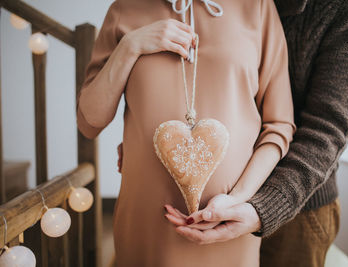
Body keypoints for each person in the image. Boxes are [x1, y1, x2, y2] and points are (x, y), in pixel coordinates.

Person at [118, 0, 348, 266]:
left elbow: (326, 129)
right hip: (206, 208)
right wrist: (145, 133)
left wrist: (262, 207)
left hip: (295, 208)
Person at [77, 0, 296, 266]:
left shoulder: (257, 6)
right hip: (145, 226)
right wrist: (130, 46)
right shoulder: (124, 9)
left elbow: (279, 125)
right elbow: (89, 122)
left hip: (228, 227)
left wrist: (237, 200)